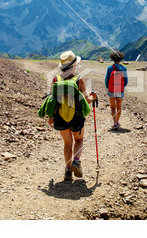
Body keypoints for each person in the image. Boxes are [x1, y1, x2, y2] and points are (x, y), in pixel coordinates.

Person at [48, 51, 97, 181]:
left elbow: (52, 100)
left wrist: (50, 117)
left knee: (67, 143)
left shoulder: (55, 80)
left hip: (60, 117)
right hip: (76, 117)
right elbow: (86, 100)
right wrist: (92, 97)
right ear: (73, 66)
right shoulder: (79, 80)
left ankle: (68, 170)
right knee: (79, 140)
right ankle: (76, 161)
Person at [105, 51, 128, 130]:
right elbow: (126, 81)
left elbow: (106, 80)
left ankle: (114, 123)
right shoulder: (124, 68)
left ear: (113, 59)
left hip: (111, 90)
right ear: (120, 59)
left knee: (112, 107)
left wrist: (109, 87)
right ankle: (117, 121)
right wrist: (121, 87)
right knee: (119, 107)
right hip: (120, 90)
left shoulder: (110, 68)